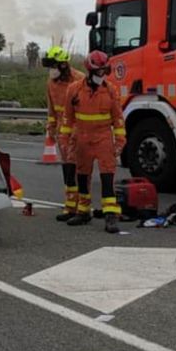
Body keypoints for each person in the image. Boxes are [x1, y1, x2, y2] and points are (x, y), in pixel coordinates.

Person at [63, 51, 125, 233]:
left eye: (104, 71)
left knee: (107, 176)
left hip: (103, 137)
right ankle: (83, 211)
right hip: (81, 137)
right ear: (90, 72)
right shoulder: (74, 90)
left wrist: (120, 141)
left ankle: (111, 214)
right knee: (82, 175)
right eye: (99, 72)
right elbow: (67, 118)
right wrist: (66, 142)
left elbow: (118, 118)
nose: (102, 75)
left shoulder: (111, 90)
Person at [43, 46, 85, 222]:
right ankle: (70, 207)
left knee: (81, 170)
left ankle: (83, 208)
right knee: (67, 171)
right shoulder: (52, 83)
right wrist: (51, 129)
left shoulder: (80, 80)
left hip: (79, 132)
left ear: (62, 65)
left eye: (53, 66)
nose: (51, 71)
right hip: (63, 133)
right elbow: (52, 110)